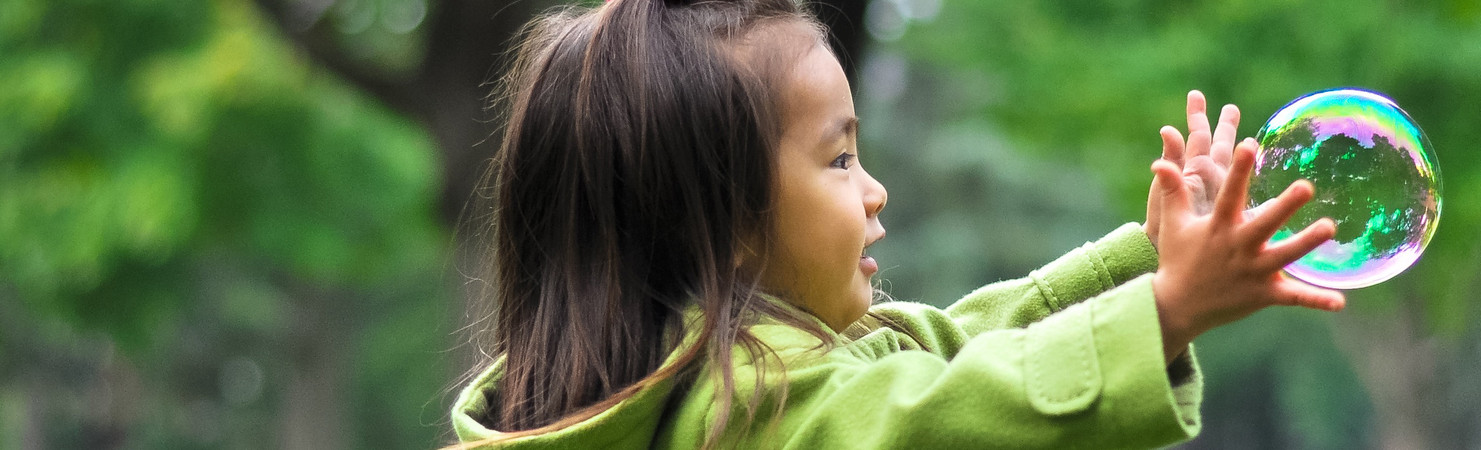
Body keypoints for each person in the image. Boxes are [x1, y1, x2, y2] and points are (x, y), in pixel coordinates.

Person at [446, 0, 1343, 448]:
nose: (874, 192)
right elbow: (934, 415)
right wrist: (1168, 310)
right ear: (723, 226)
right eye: (839, 161)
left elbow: (949, 346)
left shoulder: (709, 369)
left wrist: (1148, 260)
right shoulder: (745, 407)